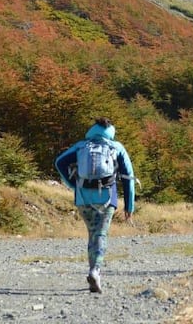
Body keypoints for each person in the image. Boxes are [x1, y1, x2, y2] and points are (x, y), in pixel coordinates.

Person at [55, 117, 136, 294]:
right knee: (101, 233)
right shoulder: (117, 147)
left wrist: (72, 184)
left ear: (93, 129)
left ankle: (93, 270)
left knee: (92, 233)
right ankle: (95, 271)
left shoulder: (81, 146)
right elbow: (129, 178)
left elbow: (59, 162)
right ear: (111, 131)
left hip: (83, 198)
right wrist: (129, 206)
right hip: (106, 198)